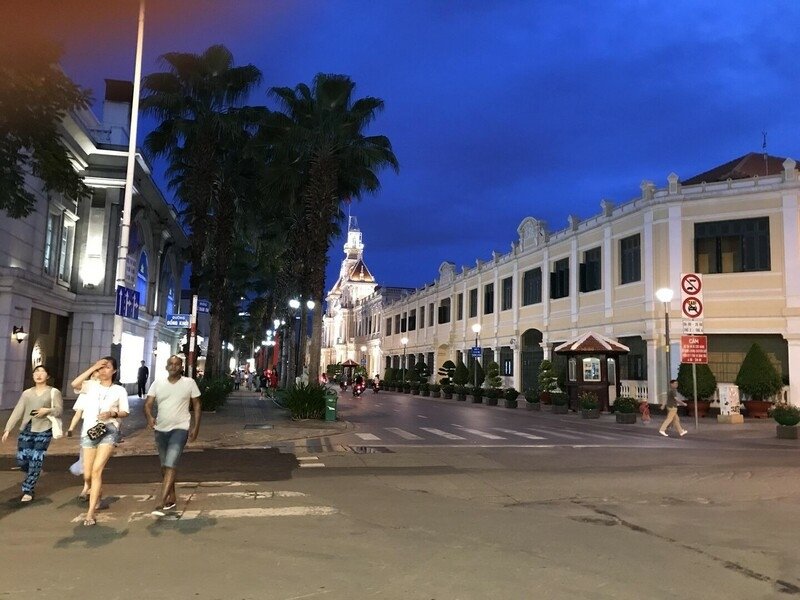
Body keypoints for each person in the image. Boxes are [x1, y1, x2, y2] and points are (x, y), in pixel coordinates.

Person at [67, 356, 129, 526]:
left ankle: (90, 513)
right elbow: (74, 384)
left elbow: (125, 412)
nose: (103, 370)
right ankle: (96, 492)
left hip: (109, 430)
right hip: (90, 430)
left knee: (96, 471)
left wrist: (112, 414)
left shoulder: (119, 390)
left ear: (114, 371)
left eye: (107, 367)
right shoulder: (91, 386)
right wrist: (93, 366)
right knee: (87, 473)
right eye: (101, 367)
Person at [144, 355, 202, 516]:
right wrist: (149, 417)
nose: (174, 366)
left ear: (181, 367)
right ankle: (172, 496)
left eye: (177, 364)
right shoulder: (158, 383)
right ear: (166, 366)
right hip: (160, 429)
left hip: (180, 428)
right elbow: (148, 404)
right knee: (164, 465)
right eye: (171, 363)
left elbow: (197, 405)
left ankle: (161, 502)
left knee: (171, 463)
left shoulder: (189, 383)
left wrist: (196, 427)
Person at [2, 364, 63, 503]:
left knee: (36, 458)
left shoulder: (53, 392)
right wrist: (8, 428)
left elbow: (59, 410)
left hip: (44, 428)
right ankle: (33, 471)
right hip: (27, 427)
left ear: (48, 376)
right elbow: (18, 410)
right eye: (36, 371)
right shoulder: (27, 393)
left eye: (42, 371)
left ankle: (28, 490)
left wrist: (47, 410)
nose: (39, 374)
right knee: (22, 458)